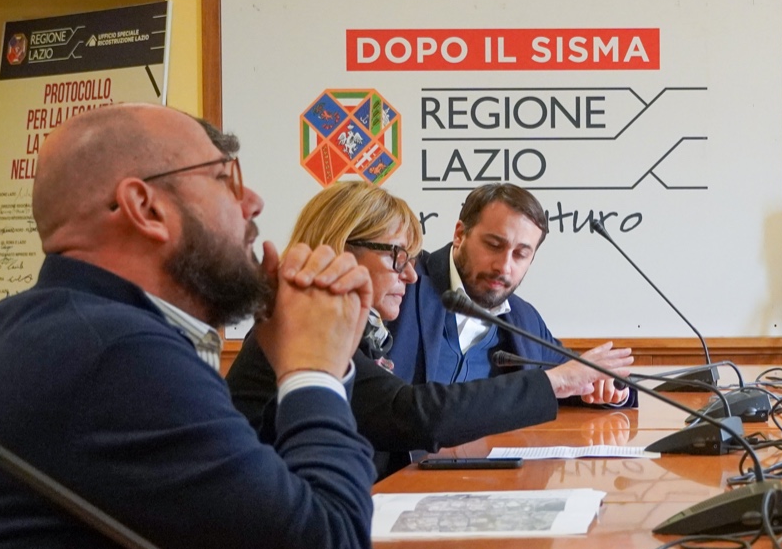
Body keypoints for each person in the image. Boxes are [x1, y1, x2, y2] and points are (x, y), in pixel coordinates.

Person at [0, 103, 378, 549]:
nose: (253, 201)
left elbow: (261, 511)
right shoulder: (113, 352)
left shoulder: (83, 327)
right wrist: (313, 368)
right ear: (145, 208)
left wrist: (311, 363)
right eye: (224, 178)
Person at [228, 182, 601, 477]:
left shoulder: (356, 330)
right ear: (341, 250)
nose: (410, 274)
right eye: (397, 256)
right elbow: (411, 414)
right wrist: (554, 383)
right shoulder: (300, 329)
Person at [385, 182, 636, 405]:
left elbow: (572, 376)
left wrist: (612, 387)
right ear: (460, 235)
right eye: (494, 245)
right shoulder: (402, 282)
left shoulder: (523, 319)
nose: (504, 267)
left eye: (520, 254)